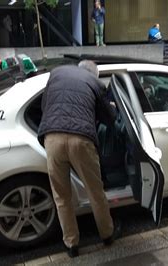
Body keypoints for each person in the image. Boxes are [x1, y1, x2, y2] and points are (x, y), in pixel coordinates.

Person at [37, 60, 121, 258]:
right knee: (94, 191)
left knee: (61, 196)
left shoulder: (56, 73)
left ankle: (71, 244)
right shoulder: (95, 84)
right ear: (95, 74)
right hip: (80, 140)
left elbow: (45, 105)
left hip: (52, 137)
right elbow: (109, 118)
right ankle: (107, 234)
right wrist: (112, 108)